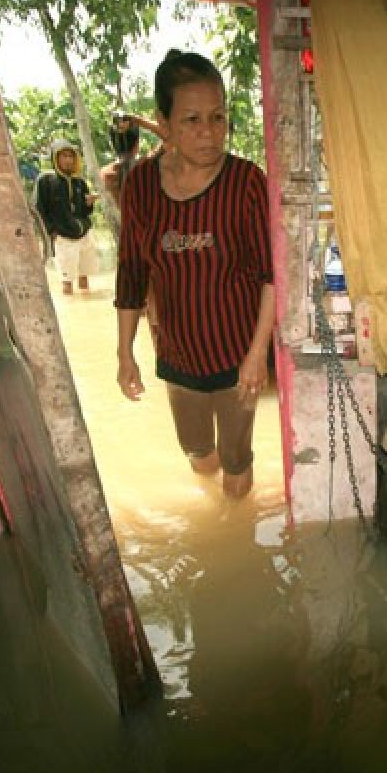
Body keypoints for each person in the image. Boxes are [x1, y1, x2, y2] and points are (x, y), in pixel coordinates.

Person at [114, 50, 274, 500]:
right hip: (179, 355)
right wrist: (125, 352)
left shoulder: (246, 182)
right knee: (199, 453)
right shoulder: (142, 185)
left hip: (238, 354)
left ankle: (238, 533)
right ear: (163, 124)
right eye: (191, 120)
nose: (208, 131)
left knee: (237, 461)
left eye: (217, 116)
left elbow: (269, 274)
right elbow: (130, 273)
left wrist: (258, 353)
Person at [35, 139, 100, 295]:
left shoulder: (79, 182)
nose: (68, 160)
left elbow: (85, 212)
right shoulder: (46, 181)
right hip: (63, 238)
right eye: (63, 156)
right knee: (67, 282)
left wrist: (89, 203)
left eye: (71, 156)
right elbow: (39, 209)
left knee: (85, 278)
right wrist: (51, 232)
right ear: (55, 158)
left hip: (85, 234)